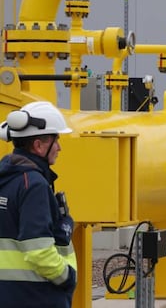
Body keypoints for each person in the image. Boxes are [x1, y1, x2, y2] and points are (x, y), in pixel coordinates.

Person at [0, 101, 77, 308]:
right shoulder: (33, 184)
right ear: (38, 145)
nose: (59, 147)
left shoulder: (6, 176)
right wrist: (67, 278)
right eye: (56, 139)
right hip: (36, 297)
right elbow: (38, 251)